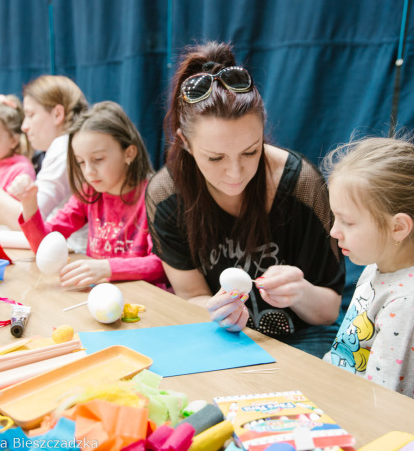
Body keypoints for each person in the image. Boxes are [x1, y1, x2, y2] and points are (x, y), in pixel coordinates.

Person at [145, 41, 345, 357]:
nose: (235, 173)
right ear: (184, 142)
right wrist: (219, 313)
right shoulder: (165, 195)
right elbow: (191, 295)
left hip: (305, 338)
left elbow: (329, 311)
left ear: (263, 129)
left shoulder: (302, 185)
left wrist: (300, 292)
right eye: (215, 158)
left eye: (251, 151)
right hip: (222, 337)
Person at [322, 136, 414, 408]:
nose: (334, 231)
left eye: (348, 222)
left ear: (399, 227)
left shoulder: (410, 303)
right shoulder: (376, 268)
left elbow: (386, 405)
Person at [8, 100, 167, 289]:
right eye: (81, 162)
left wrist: (106, 268)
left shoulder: (154, 197)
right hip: (99, 295)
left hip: (145, 300)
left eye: (98, 159)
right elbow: (44, 247)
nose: (89, 171)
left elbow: (161, 265)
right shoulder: (89, 193)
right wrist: (29, 203)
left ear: (129, 153)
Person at [0, 76, 88, 254]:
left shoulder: (64, 147)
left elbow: (26, 220)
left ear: (57, 114)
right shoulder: (64, 145)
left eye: (30, 115)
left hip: (76, 254)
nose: (24, 126)